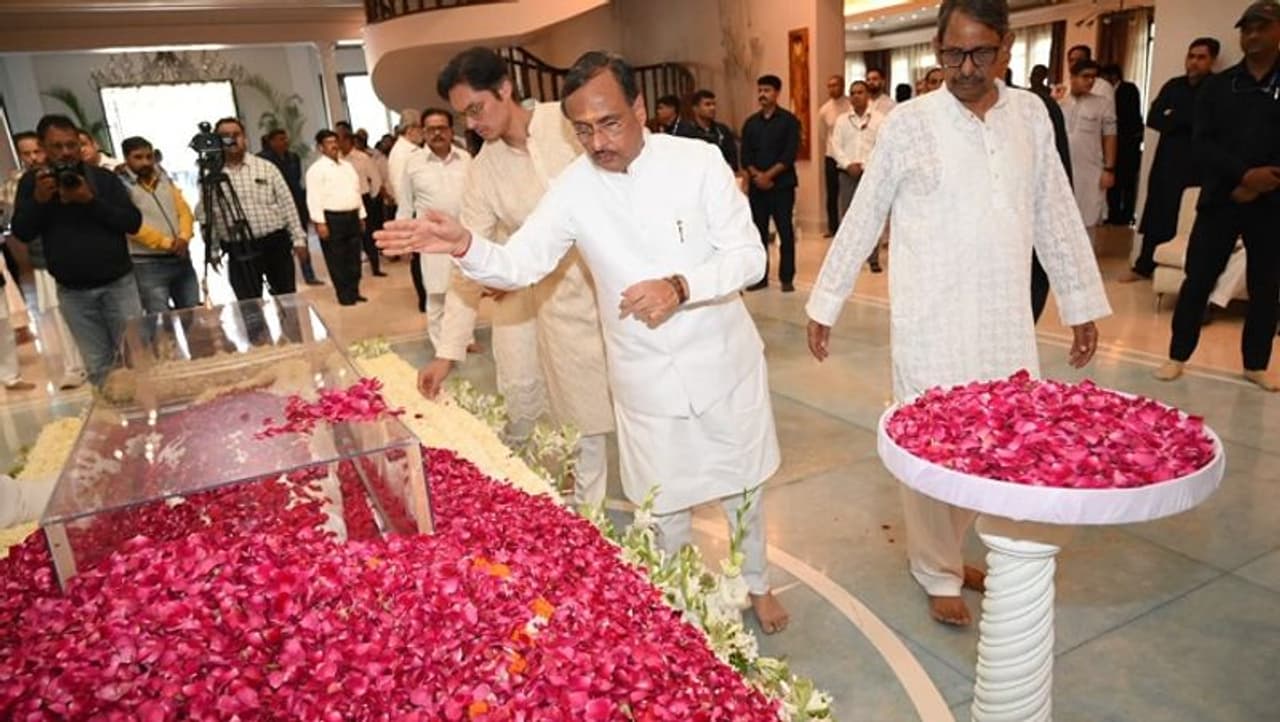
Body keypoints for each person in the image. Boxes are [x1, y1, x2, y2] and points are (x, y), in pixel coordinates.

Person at [378, 50, 790, 635]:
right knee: (663, 500)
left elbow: (749, 258)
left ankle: (757, 582)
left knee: (741, 481)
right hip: (643, 372)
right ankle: (678, 598)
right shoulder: (574, 189)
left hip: (720, 357)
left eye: (610, 123)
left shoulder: (698, 162)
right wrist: (465, 244)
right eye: (583, 130)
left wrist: (681, 286)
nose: (598, 142)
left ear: (639, 108)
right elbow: (521, 263)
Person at [807, 0, 1110, 626]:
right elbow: (865, 212)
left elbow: (1055, 209)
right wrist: (826, 301)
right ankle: (936, 569)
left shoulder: (1030, 115)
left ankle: (955, 550)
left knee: (999, 443)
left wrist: (1079, 301)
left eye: (980, 53)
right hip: (931, 316)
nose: (966, 68)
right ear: (937, 51)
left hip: (1003, 315)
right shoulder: (910, 122)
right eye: (952, 54)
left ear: (1006, 48)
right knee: (931, 447)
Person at [422, 46, 615, 507]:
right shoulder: (484, 169)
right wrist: (446, 353)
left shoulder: (565, 122)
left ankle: (609, 513)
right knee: (550, 410)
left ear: (505, 88)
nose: (472, 123)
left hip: (602, 287)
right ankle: (566, 514)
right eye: (464, 115)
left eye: (476, 108)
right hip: (537, 301)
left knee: (612, 409)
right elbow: (467, 258)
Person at [1155, 1, 1280, 391]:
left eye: (1262, 27)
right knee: (1198, 280)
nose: (1253, 35)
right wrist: (1242, 177)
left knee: (1266, 287)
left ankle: (1255, 364)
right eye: (1247, 29)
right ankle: (1177, 355)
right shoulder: (1219, 85)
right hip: (1221, 198)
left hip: (1272, 202)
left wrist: (1264, 180)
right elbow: (1202, 144)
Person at [11, 114, 145, 386]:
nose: (66, 152)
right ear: (43, 147)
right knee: (98, 366)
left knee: (135, 359)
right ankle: (113, 412)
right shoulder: (32, 184)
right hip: (73, 292)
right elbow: (22, 232)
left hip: (118, 285)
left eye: (71, 145)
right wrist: (39, 201)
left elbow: (132, 223)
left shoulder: (103, 179)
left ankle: (147, 410)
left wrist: (90, 201)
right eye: (57, 146)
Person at [1122, 38, 1220, 283]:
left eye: (1201, 57)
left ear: (1212, 60)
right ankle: (1144, 266)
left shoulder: (1217, 88)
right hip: (1167, 162)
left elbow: (1212, 125)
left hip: (1199, 166)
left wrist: (1176, 117)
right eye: (1191, 56)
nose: (1194, 62)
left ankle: (1189, 276)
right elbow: (1154, 118)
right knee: (1158, 212)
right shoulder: (1174, 86)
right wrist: (1186, 120)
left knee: (1189, 218)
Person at [2, 130, 86, 389]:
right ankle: (74, 367)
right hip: (44, 259)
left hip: (79, 255)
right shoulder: (20, 183)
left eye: (37, 151)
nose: (33, 158)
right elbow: (18, 224)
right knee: (58, 313)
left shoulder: (73, 173)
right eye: (26, 154)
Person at [198, 117, 308, 302]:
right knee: (249, 306)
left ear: (245, 138)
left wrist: (299, 239)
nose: (232, 139)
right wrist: (213, 249)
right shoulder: (212, 176)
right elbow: (208, 215)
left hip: (275, 244)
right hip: (238, 248)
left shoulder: (266, 168)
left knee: (287, 300)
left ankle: (289, 323)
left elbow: (287, 203)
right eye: (225, 136)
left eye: (236, 134)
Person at [397, 108, 472, 348]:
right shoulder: (413, 163)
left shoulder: (465, 159)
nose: (437, 133)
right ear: (423, 132)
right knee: (437, 293)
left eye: (442, 128)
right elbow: (405, 205)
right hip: (431, 239)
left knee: (465, 291)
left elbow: (476, 198)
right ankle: (442, 346)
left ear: (451, 131)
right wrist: (404, 241)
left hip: (463, 236)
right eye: (431, 129)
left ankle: (466, 338)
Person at [118, 136, 199, 313]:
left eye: (149, 157)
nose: (145, 162)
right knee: (160, 320)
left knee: (192, 313)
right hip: (148, 264)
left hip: (181, 257)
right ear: (126, 158)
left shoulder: (162, 175)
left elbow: (183, 209)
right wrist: (167, 243)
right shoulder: (119, 184)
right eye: (138, 157)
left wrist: (184, 237)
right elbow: (130, 225)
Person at [741, 74, 800, 292]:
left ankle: (787, 277)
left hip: (782, 186)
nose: (762, 94)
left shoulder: (789, 121)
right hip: (758, 188)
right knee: (759, 233)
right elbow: (745, 155)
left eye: (767, 90)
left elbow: (789, 154)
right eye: (760, 90)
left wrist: (769, 176)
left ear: (777, 93)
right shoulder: (751, 123)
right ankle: (760, 276)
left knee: (785, 231)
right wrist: (757, 175)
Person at [305, 129, 367, 307]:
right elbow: (313, 198)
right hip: (332, 218)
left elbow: (356, 191)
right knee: (337, 258)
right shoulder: (316, 170)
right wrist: (320, 223)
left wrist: (361, 215)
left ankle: (354, 291)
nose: (334, 145)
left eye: (335, 141)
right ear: (320, 147)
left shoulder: (347, 166)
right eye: (329, 143)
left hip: (352, 215)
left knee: (354, 256)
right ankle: (344, 294)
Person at [258, 128, 325, 287]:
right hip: (276, 208)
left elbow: (297, 178)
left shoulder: (293, 157)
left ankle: (309, 274)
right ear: (272, 142)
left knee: (302, 240)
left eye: (285, 138)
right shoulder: (263, 160)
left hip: (297, 203)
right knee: (281, 247)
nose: (285, 142)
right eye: (280, 139)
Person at [830, 81, 884, 272]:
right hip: (847, 175)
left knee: (871, 218)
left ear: (868, 95)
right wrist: (848, 164)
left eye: (860, 92)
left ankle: (873, 258)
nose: (856, 96)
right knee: (848, 218)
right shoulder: (842, 120)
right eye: (852, 93)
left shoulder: (879, 119)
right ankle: (848, 259)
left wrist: (865, 166)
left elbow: (881, 146)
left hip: (871, 174)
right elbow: (835, 146)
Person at [1059, 60, 1117, 235]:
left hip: (1091, 172)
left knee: (1088, 222)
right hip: (1062, 170)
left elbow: (1110, 136)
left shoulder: (1103, 104)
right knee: (1061, 220)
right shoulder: (1060, 103)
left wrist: (1109, 169)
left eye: (1093, 77)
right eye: (1085, 76)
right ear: (1072, 77)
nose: (1090, 81)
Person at [388, 110, 427, 312]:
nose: (423, 133)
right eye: (421, 128)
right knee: (418, 258)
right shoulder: (404, 153)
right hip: (412, 211)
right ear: (411, 129)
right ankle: (424, 299)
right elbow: (401, 188)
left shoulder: (409, 150)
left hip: (416, 209)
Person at [338, 126, 388, 279]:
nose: (339, 144)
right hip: (344, 201)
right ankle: (353, 270)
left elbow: (375, 178)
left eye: (341, 140)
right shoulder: (337, 159)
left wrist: (372, 197)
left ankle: (375, 267)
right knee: (350, 236)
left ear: (349, 141)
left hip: (363, 198)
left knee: (368, 234)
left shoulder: (362, 158)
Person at [1101, 64, 1143, 225]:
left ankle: (1126, 215)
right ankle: (1113, 213)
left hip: (1128, 144)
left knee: (1127, 182)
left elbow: (1130, 117)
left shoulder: (1128, 89)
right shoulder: (1107, 93)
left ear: (1113, 76)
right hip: (1114, 143)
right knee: (1114, 182)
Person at [818, 75, 852, 238]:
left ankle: (850, 228)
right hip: (831, 156)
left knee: (850, 192)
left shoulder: (851, 105)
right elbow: (822, 134)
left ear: (842, 86)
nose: (832, 89)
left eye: (835, 85)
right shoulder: (824, 110)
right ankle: (833, 227)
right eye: (830, 86)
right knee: (832, 193)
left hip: (850, 156)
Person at [676, 89, 740, 173]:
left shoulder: (722, 130)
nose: (712, 108)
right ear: (695, 108)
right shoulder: (685, 132)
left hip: (721, 174)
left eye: (714, 104)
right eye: (707, 104)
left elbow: (732, 158)